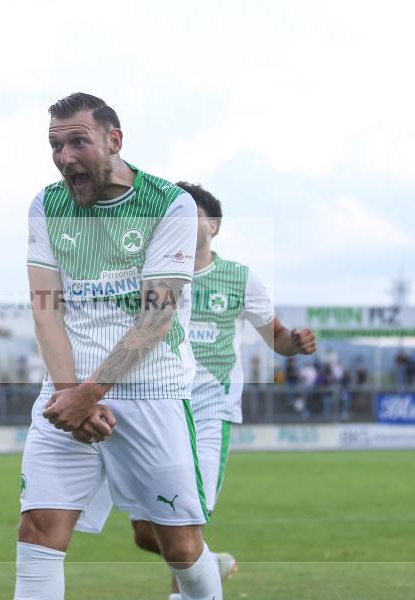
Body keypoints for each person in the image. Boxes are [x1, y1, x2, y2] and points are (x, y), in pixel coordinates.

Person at [17, 93, 220, 600]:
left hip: (152, 392)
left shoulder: (170, 204)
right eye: (55, 145)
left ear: (114, 140)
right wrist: (70, 395)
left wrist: (88, 393)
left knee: (180, 547)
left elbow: (157, 315)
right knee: (38, 530)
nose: (65, 157)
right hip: (64, 393)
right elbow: (46, 309)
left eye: (78, 142)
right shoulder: (46, 205)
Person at [127, 181, 317, 600]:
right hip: (157, 403)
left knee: (184, 519)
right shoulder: (149, 273)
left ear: (212, 225)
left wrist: (295, 343)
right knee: (144, 532)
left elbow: (276, 337)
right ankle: (209, 564)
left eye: (189, 212)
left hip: (209, 407)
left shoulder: (240, 278)